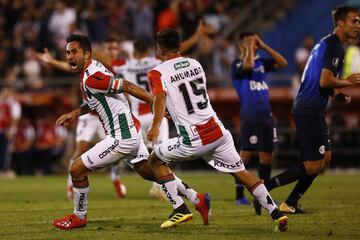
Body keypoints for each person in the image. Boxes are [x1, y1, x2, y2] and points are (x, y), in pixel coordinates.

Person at [52, 34, 210, 230]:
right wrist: (76, 112)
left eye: (74, 52)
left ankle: (79, 217)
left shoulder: (92, 77)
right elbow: (98, 100)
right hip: (130, 131)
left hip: (122, 136)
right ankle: (197, 199)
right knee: (148, 172)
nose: (69, 56)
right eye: (68, 52)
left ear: (87, 53)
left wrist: (154, 103)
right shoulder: (92, 70)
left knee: (75, 169)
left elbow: (126, 86)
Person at [146, 28, 288, 231]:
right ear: (179, 46)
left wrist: (155, 126)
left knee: (155, 159)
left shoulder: (157, 72)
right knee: (243, 173)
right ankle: (276, 213)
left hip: (194, 138)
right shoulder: (196, 64)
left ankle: (180, 208)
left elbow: (160, 97)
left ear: (159, 50)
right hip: (219, 132)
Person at [262, 5, 360, 214]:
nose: (358, 26)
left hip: (312, 107)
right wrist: (347, 82)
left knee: (324, 159)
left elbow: (320, 80)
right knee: (313, 164)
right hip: (310, 108)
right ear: (341, 23)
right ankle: (264, 189)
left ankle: (290, 203)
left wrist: (336, 93)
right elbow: (325, 81)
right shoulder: (334, 46)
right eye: (354, 21)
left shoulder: (326, 43)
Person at [230, 32, 288, 206]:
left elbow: (283, 63)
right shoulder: (237, 64)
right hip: (250, 116)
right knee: (246, 154)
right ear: (241, 46)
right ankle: (239, 195)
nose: (254, 46)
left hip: (266, 116)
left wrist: (264, 46)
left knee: (267, 155)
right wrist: (249, 48)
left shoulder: (262, 63)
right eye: (250, 43)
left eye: (255, 43)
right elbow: (248, 67)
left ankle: (263, 195)